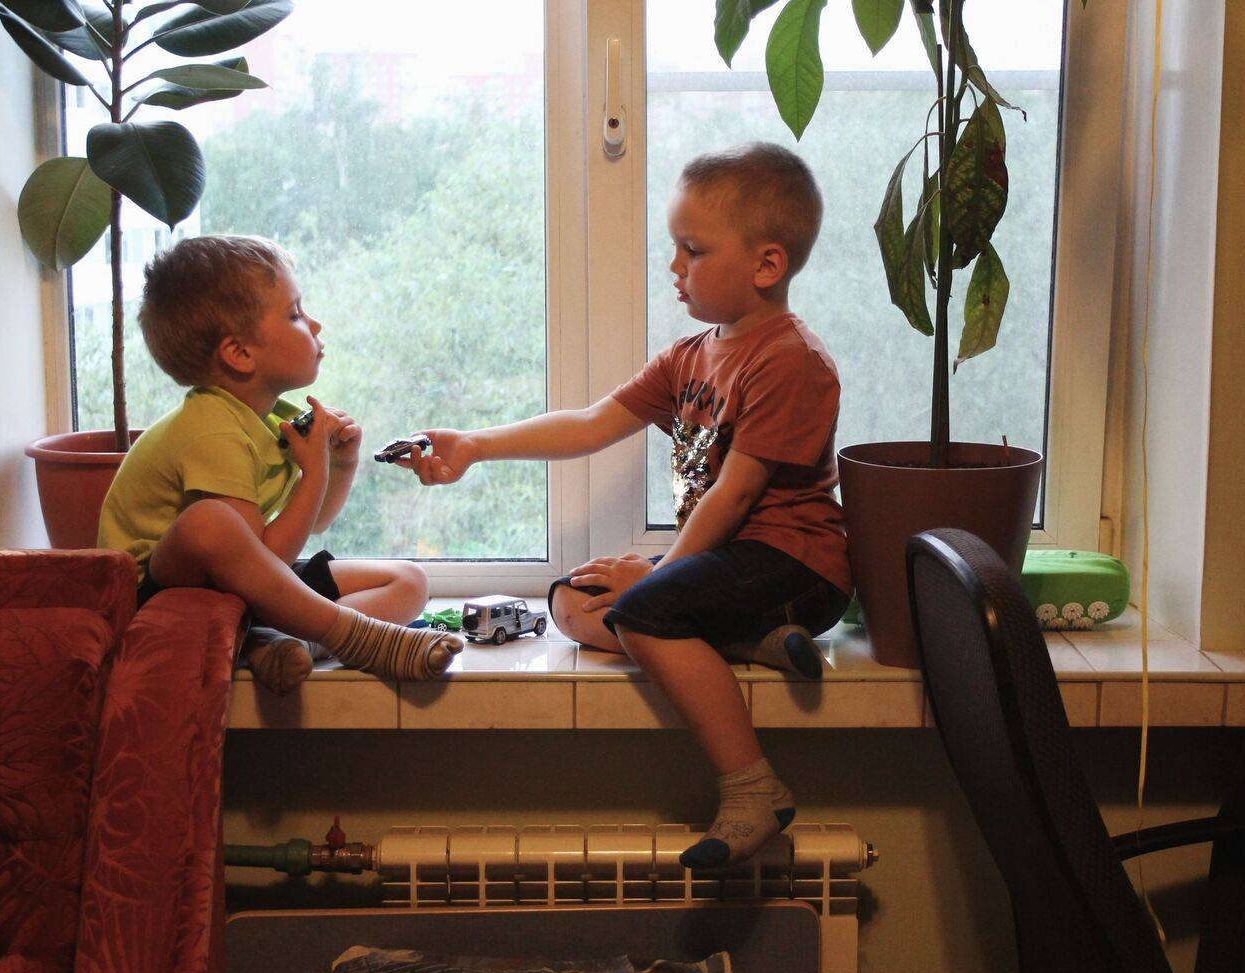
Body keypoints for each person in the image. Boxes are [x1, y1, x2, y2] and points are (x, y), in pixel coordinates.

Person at [399, 144, 849, 867]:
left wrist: (661, 576)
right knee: (570, 600)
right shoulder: (689, 357)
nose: (675, 266)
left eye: (693, 250)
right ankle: (748, 641)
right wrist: (474, 445)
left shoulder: (791, 361)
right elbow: (589, 424)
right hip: (730, 567)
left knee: (641, 609)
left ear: (767, 265)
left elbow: (734, 494)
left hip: (796, 567)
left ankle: (753, 789)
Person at [97, 235, 462, 694]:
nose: (315, 323)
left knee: (409, 581)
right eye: (295, 314)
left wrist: (340, 463)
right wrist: (315, 471)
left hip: (245, 585)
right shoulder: (212, 429)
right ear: (239, 353)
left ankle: (286, 642)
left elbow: (314, 523)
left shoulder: (270, 419)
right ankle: (356, 638)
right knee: (209, 522)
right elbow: (268, 557)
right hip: (157, 598)